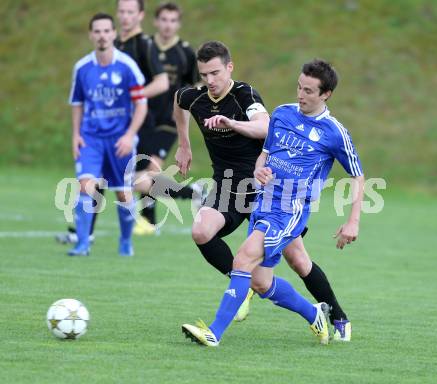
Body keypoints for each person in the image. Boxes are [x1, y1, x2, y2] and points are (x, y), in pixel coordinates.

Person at [181, 58, 364, 347]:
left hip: (289, 210)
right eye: (299, 88)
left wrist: (352, 221)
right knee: (261, 282)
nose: (301, 95)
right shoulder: (282, 114)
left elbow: (358, 175)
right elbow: (265, 154)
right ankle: (314, 314)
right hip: (262, 202)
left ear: (326, 94)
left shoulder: (334, 132)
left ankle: (213, 333)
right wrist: (258, 170)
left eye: (309, 91)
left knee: (243, 259)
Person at [68, 13, 147, 256]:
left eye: (106, 31)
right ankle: (82, 244)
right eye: (97, 31)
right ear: (91, 35)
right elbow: (77, 103)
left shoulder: (127, 66)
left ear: (113, 34)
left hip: (119, 140)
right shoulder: (82, 68)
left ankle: (125, 242)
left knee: (124, 193)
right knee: (86, 187)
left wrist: (129, 135)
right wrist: (75, 134)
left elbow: (141, 104)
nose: (102, 35)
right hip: (91, 138)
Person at [133, 1, 201, 235]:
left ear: (178, 24)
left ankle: (148, 222)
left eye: (173, 20)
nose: (168, 25)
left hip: (170, 121)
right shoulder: (146, 47)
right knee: (142, 175)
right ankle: (192, 194)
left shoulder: (185, 52)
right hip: (143, 118)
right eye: (164, 20)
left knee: (148, 173)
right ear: (155, 21)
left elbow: (196, 86)